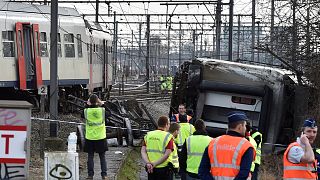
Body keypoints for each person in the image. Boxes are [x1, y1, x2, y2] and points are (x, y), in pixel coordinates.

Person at [198, 111, 255, 179]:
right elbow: (244, 174)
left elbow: (202, 171)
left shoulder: (213, 143)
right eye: (245, 125)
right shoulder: (246, 146)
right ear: (240, 127)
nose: (246, 129)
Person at [141, 116, 174, 180]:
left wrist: (148, 163)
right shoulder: (168, 137)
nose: (169, 125)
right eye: (169, 124)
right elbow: (167, 154)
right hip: (163, 170)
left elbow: (143, 151)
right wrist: (154, 164)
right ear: (166, 124)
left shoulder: (148, 135)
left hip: (150, 169)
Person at [84, 94, 108, 180]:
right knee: (102, 157)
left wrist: (88, 104)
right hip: (100, 137)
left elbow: (82, 113)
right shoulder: (102, 111)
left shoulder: (86, 111)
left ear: (89, 101)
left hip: (90, 137)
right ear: (97, 101)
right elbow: (110, 114)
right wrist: (102, 104)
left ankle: (90, 175)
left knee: (90, 156)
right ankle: (104, 175)